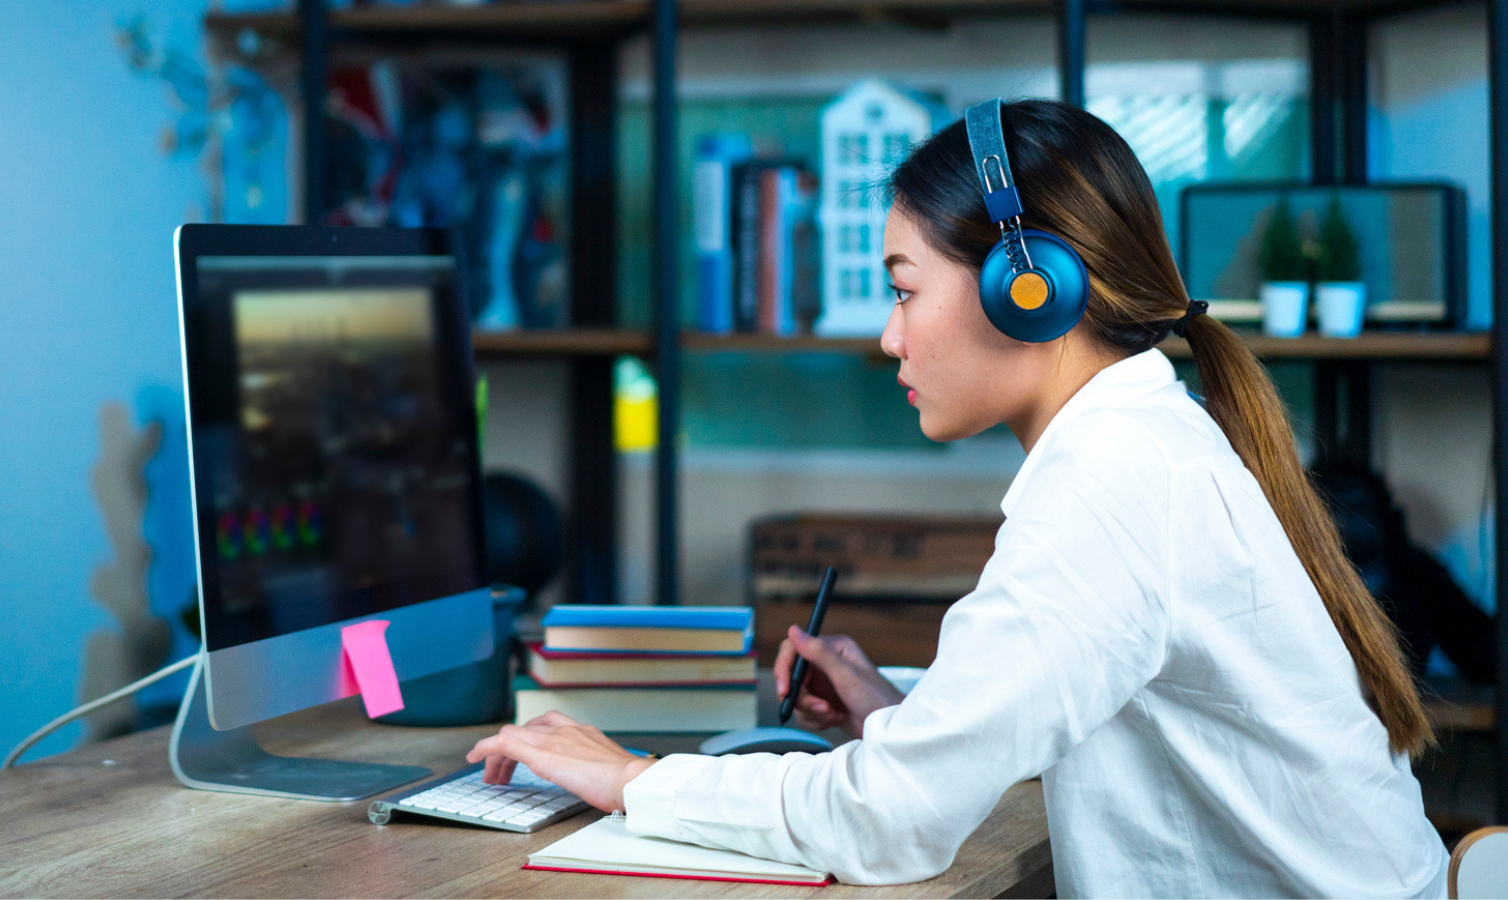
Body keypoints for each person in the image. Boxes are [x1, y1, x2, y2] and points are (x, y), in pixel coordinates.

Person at [467, 99, 1449, 898]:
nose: (889, 337)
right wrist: (907, 716)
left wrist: (633, 778)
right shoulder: (1145, 439)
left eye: (904, 290)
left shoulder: (1110, 483)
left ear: (1030, 287)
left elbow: (891, 825)